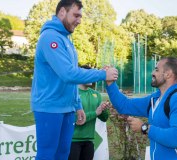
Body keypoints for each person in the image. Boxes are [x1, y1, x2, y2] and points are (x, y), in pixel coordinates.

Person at [30, 0, 118, 159]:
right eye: (76, 15)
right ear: (62, 12)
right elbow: (69, 74)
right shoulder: (50, 37)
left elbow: (71, 80)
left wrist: (77, 105)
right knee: (47, 154)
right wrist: (103, 74)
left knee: (63, 154)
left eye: (80, 16)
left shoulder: (67, 40)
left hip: (67, 108)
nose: (79, 20)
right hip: (49, 107)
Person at [106, 57, 177, 160]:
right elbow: (124, 105)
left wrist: (144, 127)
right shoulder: (154, 99)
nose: (152, 72)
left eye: (156, 69)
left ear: (168, 74)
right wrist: (110, 83)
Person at [68, 65, 110, 160]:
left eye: (92, 74)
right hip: (72, 141)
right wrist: (95, 113)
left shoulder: (96, 94)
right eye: (88, 74)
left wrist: (103, 109)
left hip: (89, 141)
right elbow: (75, 118)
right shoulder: (72, 93)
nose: (92, 77)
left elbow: (104, 118)